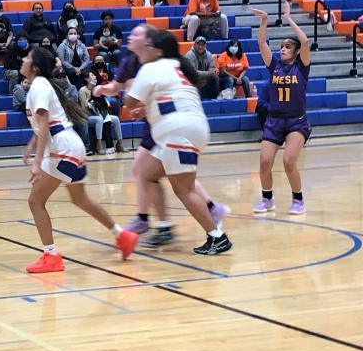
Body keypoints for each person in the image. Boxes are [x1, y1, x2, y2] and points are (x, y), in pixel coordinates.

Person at [94, 25, 228, 246]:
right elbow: (170, 99)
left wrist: (127, 90)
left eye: (146, 42)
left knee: (183, 189)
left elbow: (128, 101)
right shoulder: (176, 66)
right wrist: (145, 107)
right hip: (187, 128)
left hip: (176, 131)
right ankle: (166, 222)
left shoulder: (150, 68)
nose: (142, 44)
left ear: (156, 50)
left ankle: (216, 235)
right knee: (146, 173)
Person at [20, 46, 137, 271]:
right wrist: (30, 146)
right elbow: (43, 125)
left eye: (26, 57)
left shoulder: (39, 86)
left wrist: (36, 162)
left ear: (34, 66)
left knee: (35, 201)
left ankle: (51, 256)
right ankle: (123, 236)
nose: (22, 60)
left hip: (62, 148)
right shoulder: (40, 86)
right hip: (70, 145)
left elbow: (44, 126)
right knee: (80, 199)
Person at [250, 1, 312, 216]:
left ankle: (298, 200)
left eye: (287, 47)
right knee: (265, 161)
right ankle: (267, 200)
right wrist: (264, 21)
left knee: (288, 162)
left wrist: (288, 18)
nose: (283, 49)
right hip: (274, 120)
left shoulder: (301, 67)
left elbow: (304, 41)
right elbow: (261, 44)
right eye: (282, 47)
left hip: (296, 120)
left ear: (296, 52)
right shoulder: (275, 66)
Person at [79, 72, 125, 155]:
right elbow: (83, 108)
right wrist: (90, 98)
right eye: (92, 75)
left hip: (98, 113)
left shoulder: (96, 89)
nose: (95, 77)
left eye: (94, 75)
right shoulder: (83, 90)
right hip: (88, 116)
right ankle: (99, 145)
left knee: (116, 119)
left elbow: (104, 103)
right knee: (99, 119)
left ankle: (120, 144)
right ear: (87, 79)